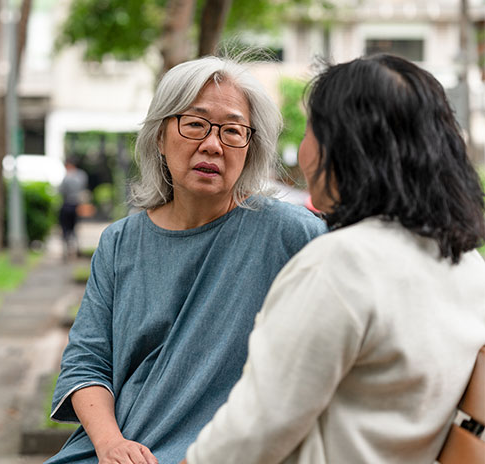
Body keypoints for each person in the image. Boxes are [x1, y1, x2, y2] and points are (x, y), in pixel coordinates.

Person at [184, 54, 485, 464]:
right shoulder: (468, 267)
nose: (304, 152)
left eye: (311, 130)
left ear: (348, 148)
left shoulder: (341, 264)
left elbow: (250, 436)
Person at [45, 56, 326, 464]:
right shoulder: (120, 242)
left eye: (233, 131)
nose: (212, 144)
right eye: (195, 124)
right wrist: (111, 445)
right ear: (160, 136)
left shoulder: (292, 235)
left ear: (250, 150)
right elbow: (86, 363)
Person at [59, 159, 89, 258]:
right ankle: (76, 248)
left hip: (67, 204)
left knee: (65, 228)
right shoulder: (82, 175)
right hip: (77, 205)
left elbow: (61, 191)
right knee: (75, 227)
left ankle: (67, 249)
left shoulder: (67, 177)